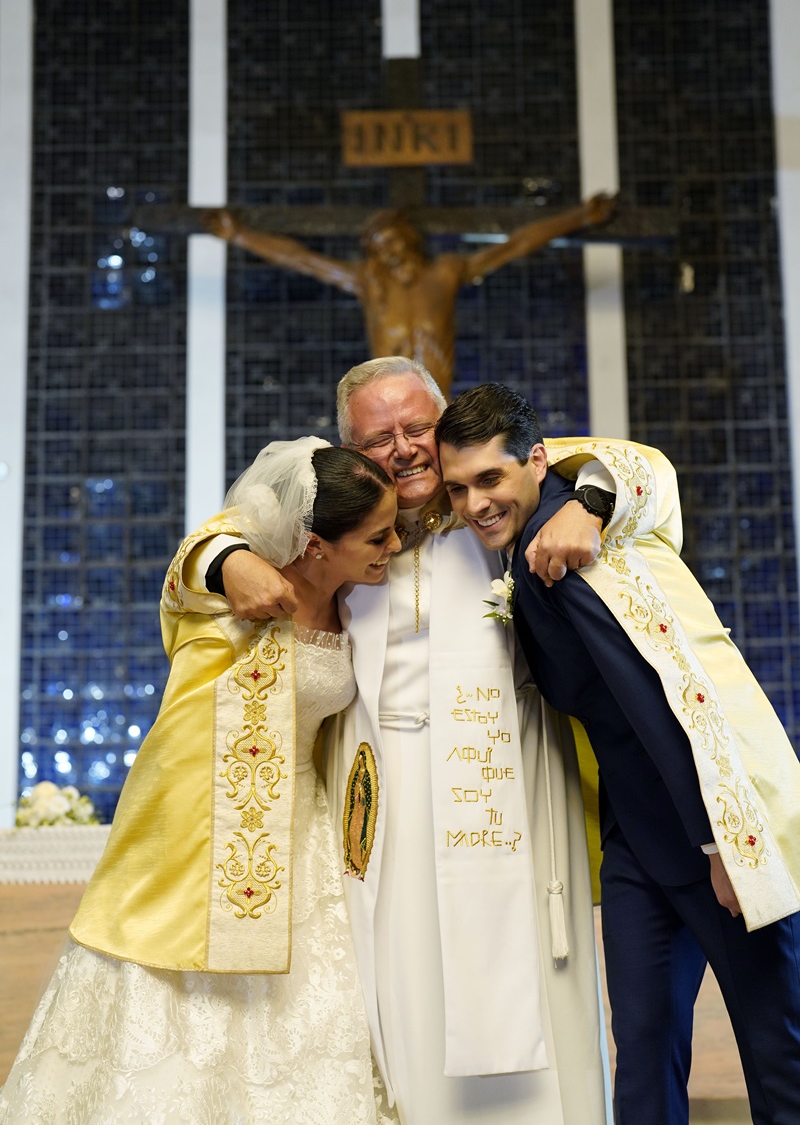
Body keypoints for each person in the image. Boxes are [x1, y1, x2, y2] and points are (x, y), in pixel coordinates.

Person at [194, 356, 674, 1125]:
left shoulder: (495, 505)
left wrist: (586, 503)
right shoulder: (334, 527)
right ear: (349, 452)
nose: (405, 448)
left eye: (418, 426)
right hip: (384, 797)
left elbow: (640, 470)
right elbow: (210, 544)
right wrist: (232, 559)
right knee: (403, 975)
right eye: (379, 437)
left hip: (509, 785)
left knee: (532, 986)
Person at [0, 439, 402, 1125]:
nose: (395, 544)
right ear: (314, 546)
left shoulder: (363, 603)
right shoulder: (230, 592)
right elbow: (195, 556)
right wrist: (233, 560)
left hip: (303, 838)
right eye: (377, 534)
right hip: (195, 832)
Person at [436, 382, 800, 1125]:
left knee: (779, 1047)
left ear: (537, 462)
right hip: (636, 843)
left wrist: (720, 842)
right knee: (639, 1049)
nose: (474, 503)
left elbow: (657, 699)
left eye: (489, 479)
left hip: (712, 838)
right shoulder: (541, 537)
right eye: (457, 487)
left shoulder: (567, 556)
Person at [204, 194, 616, 398]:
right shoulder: (370, 283)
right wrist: (239, 235)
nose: (390, 254)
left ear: (410, 238)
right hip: (385, 412)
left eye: (394, 242)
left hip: (441, 408)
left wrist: (578, 216)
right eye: (380, 249)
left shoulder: (446, 273)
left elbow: (514, 245)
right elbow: (304, 261)